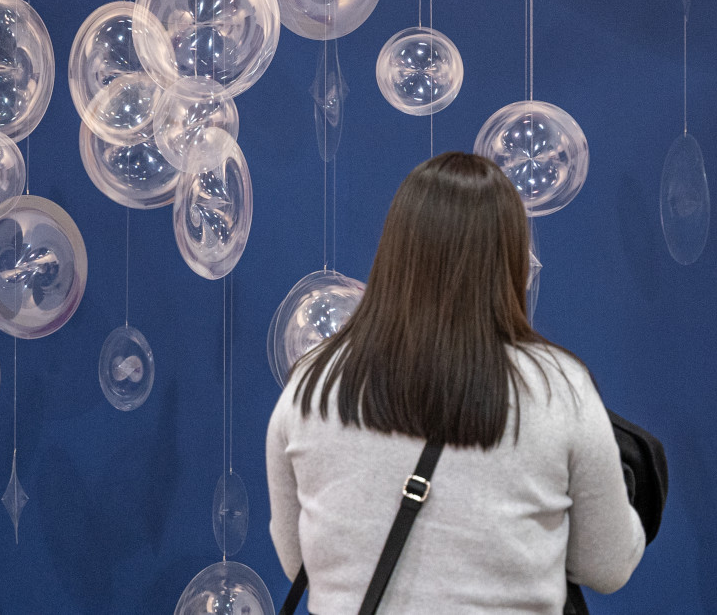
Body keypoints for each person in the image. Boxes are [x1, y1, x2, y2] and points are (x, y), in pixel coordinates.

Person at [266, 151, 645, 613]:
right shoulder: (557, 388)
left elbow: (299, 562)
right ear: (511, 261)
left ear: (395, 252)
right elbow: (608, 566)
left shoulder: (312, 384)